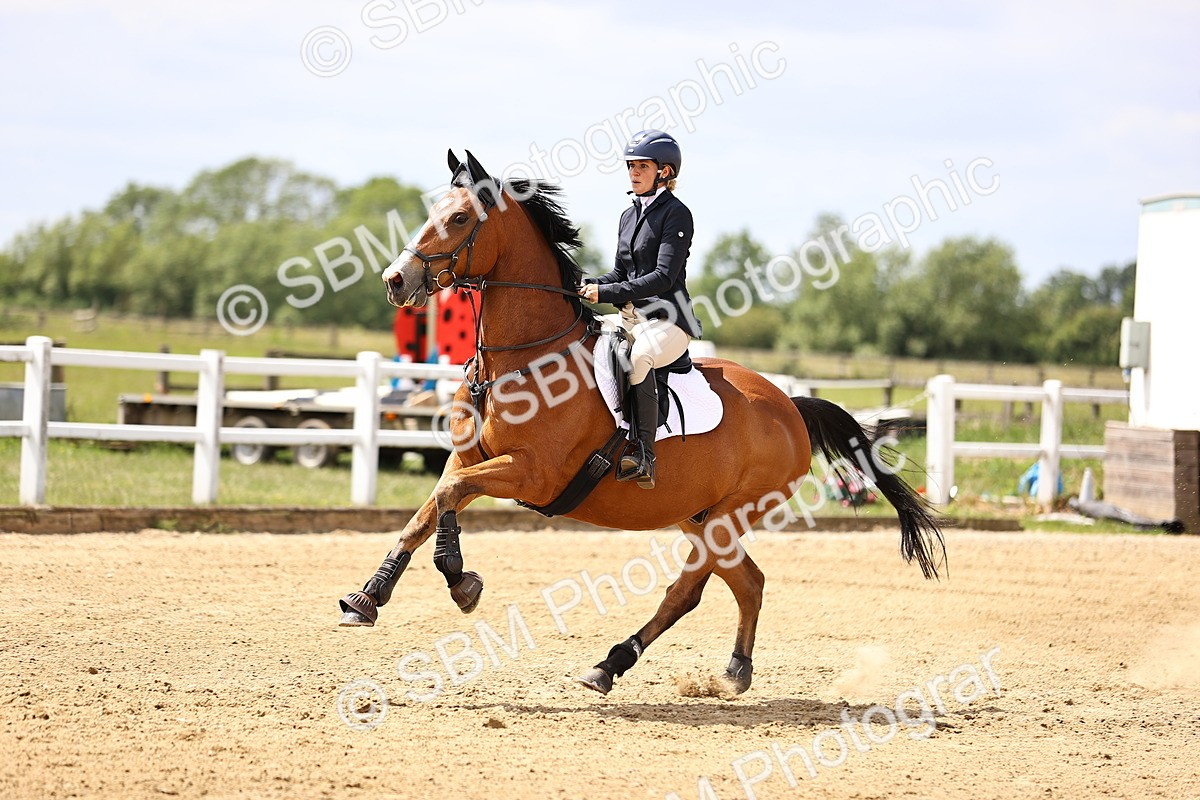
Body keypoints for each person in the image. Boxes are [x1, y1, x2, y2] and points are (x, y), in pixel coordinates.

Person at [578, 129, 703, 489]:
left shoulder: (677, 215)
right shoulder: (628, 215)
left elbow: (663, 277)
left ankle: (644, 453)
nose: (634, 172)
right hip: (630, 318)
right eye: (631, 165)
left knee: (640, 359)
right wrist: (583, 286)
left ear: (664, 172)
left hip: (669, 322)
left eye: (642, 166)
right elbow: (620, 272)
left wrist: (605, 291)